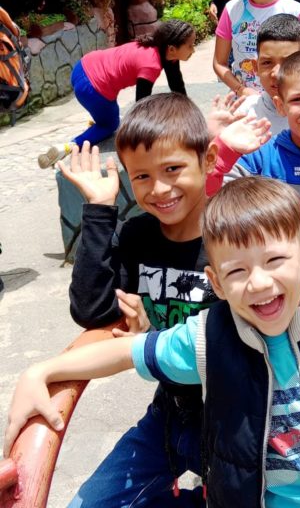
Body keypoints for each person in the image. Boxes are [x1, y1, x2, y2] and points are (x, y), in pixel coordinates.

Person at [3, 175, 300, 508]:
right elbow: (125, 352)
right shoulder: (208, 338)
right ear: (214, 281)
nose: (258, 283)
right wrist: (42, 371)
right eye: (236, 271)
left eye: (275, 260)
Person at [42, 94, 217, 507]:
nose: (158, 189)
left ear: (207, 161)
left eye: (173, 169)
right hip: (170, 413)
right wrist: (100, 208)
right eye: (141, 177)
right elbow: (93, 310)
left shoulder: (231, 234)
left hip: (236, 418)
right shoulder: (139, 234)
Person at [37, 21, 196, 169]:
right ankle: (69, 146)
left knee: (107, 116)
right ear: (172, 49)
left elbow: (177, 85)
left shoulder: (160, 49)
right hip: (92, 89)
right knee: (110, 125)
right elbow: (141, 108)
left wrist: (188, 115)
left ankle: (99, 119)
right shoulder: (151, 65)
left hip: (82, 67)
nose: (193, 50)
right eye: (190, 46)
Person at [207, 50, 300, 198]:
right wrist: (220, 147)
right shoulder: (260, 158)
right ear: (280, 106)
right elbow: (209, 201)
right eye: (297, 99)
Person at [233, 13, 300, 134]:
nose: (276, 73)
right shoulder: (245, 114)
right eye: (267, 63)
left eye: (288, 62)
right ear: (255, 67)